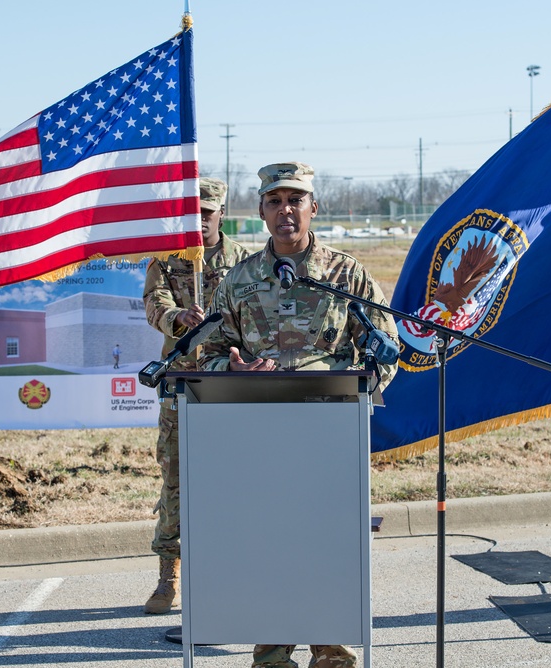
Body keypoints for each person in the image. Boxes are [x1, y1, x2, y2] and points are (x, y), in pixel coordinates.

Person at [199, 162, 399, 668]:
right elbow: (210, 350)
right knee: (267, 540)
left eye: (295, 200)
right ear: (261, 211)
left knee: (328, 542)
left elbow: (385, 347)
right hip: (259, 433)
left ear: (314, 207)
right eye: (274, 201)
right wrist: (233, 367)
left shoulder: (345, 274)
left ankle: (331, 651)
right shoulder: (238, 281)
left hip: (329, 432)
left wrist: (357, 390)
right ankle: (271, 652)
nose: (285, 210)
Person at [141, 176, 250, 614]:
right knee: (176, 483)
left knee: (236, 484)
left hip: (232, 388)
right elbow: (154, 305)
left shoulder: (245, 260)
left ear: (220, 214)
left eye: (206, 214)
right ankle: (169, 575)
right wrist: (177, 316)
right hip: (182, 387)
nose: (198, 221)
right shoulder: (166, 260)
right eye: (191, 214)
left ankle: (234, 573)